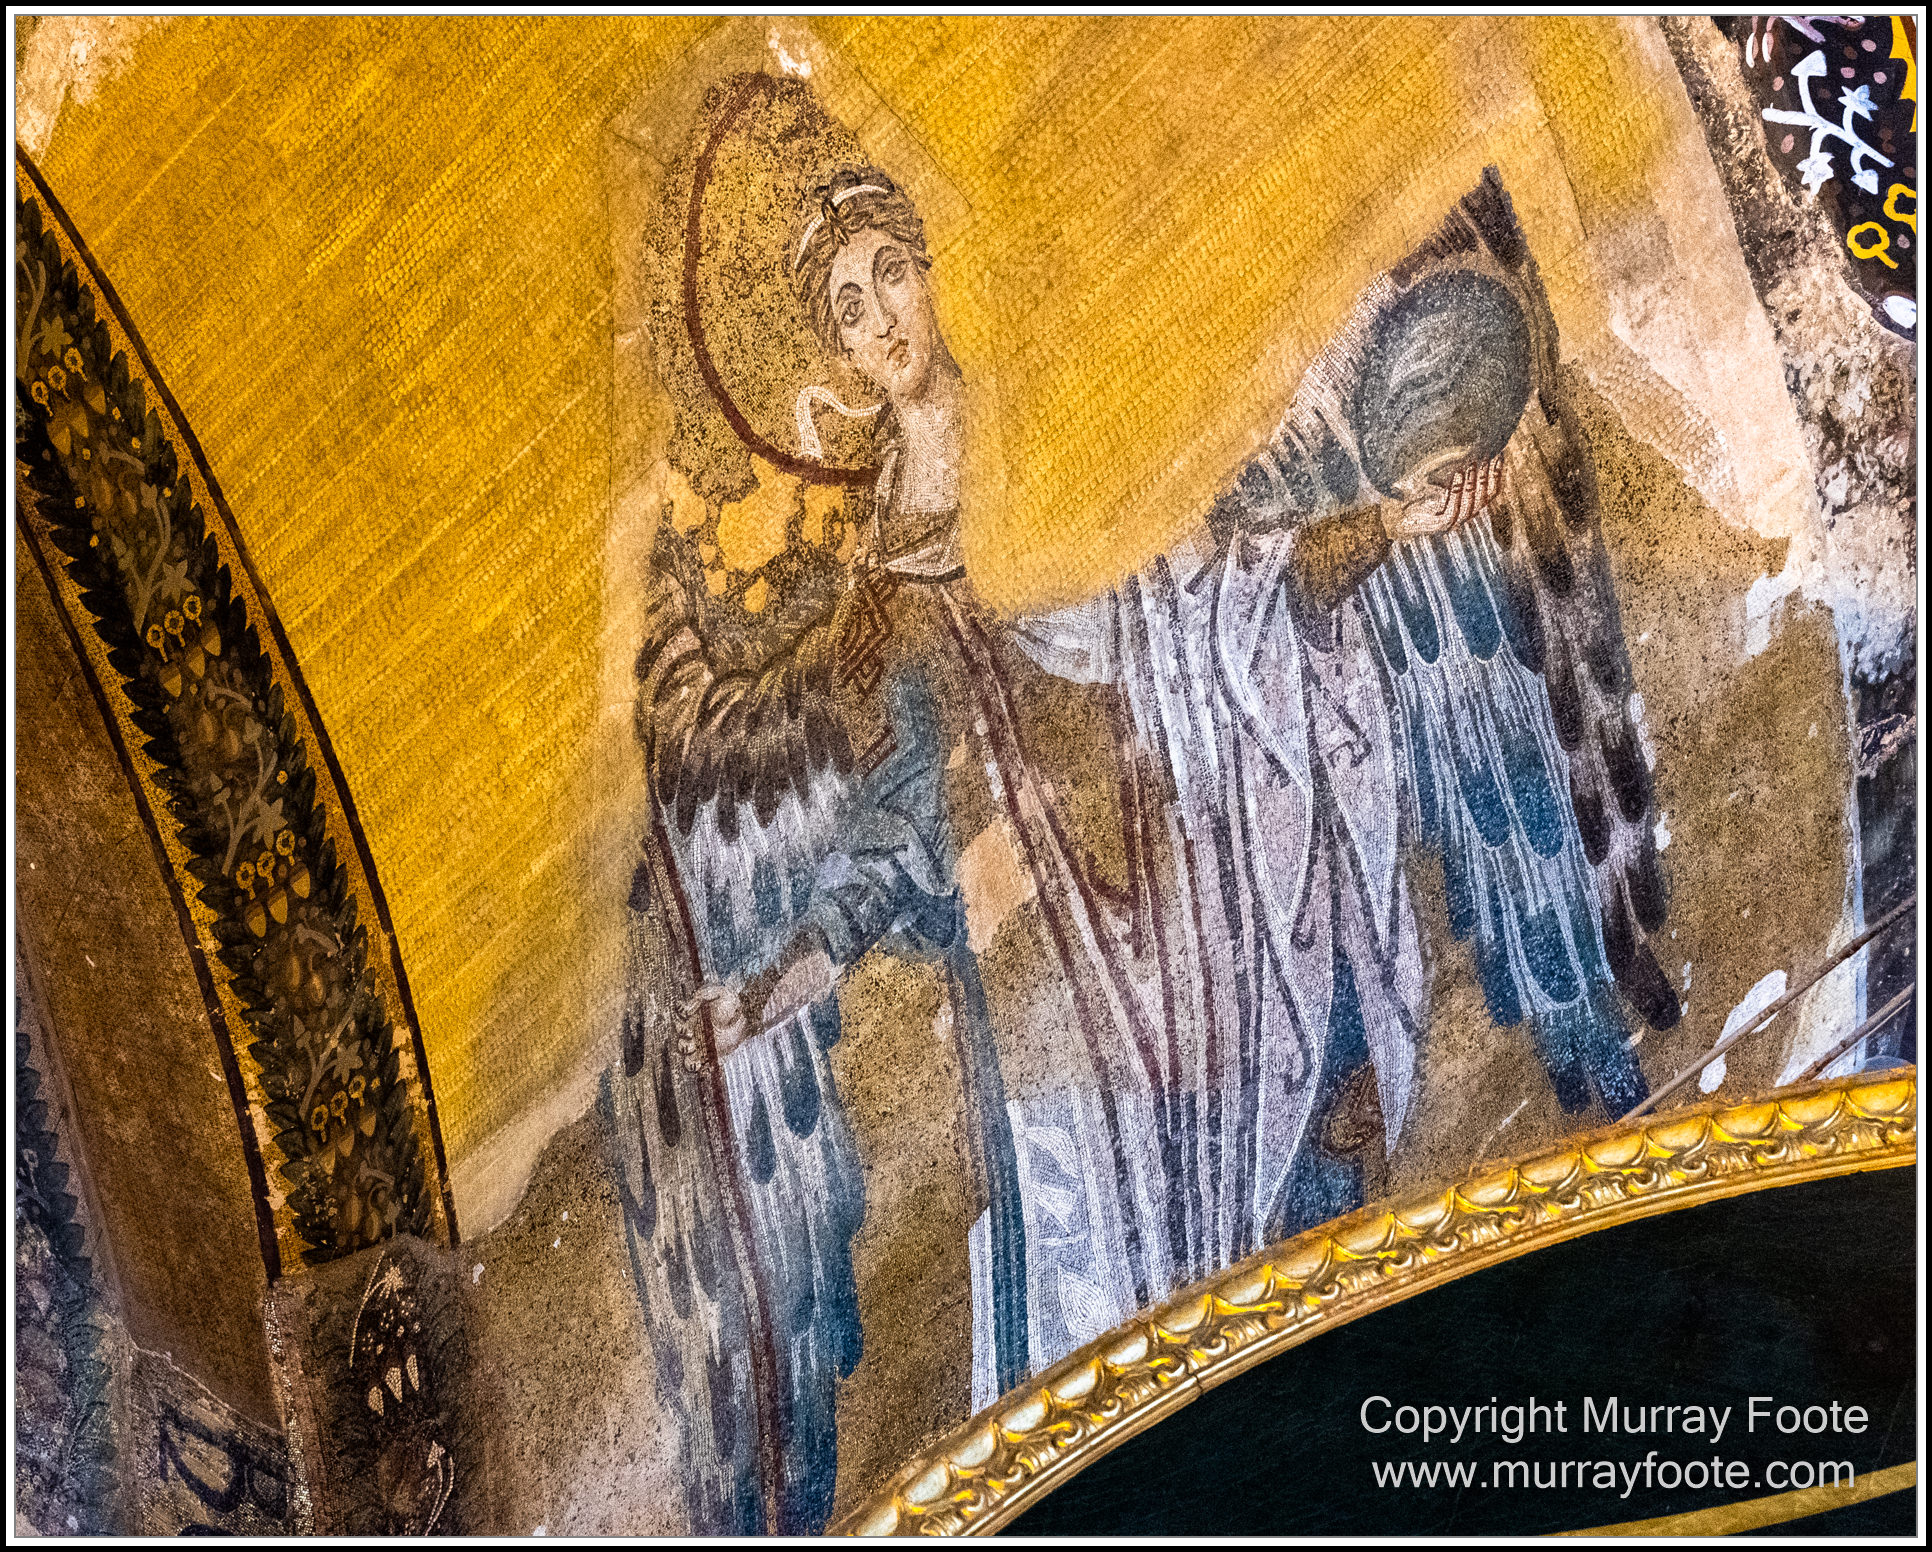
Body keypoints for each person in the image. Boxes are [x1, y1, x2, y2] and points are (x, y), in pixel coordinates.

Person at [619, 157, 1663, 1534]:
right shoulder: (880, 574)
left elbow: (1213, 583)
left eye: (891, 277)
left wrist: (1382, 527)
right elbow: (908, 816)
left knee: (1308, 1182)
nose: (880, 322)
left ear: (934, 274)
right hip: (1050, 975)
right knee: (1093, 1321)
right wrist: (781, 981)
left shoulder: (1054, 447)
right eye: (847, 311)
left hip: (1202, 876)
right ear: (839, 357)